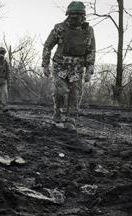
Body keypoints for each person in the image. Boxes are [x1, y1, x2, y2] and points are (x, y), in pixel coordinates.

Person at [42, 1, 96, 132]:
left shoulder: (88, 31)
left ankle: (71, 120)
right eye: (71, 15)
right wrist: (45, 65)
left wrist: (89, 70)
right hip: (60, 66)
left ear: (83, 16)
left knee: (75, 95)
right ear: (68, 15)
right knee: (60, 91)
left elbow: (91, 51)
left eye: (77, 16)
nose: (74, 18)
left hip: (77, 68)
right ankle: (58, 112)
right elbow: (48, 46)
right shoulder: (59, 28)